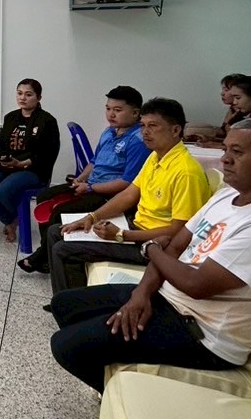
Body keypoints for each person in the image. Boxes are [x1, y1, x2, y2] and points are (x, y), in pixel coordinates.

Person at [47, 119, 251, 393]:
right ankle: (116, 374)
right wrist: (141, 294)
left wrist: (150, 249)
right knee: (64, 305)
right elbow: (174, 247)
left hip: (202, 334)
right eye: (226, 149)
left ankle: (124, 399)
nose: (225, 159)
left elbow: (194, 284)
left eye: (237, 152)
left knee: (66, 345)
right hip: (169, 297)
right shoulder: (227, 196)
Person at [47, 98, 212, 295]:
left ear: (176, 130)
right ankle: (67, 299)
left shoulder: (186, 172)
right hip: (134, 227)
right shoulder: (156, 156)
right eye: (143, 126)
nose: (145, 132)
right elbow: (128, 194)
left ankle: (74, 306)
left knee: (64, 250)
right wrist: (91, 217)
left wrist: (122, 235)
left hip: (154, 246)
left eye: (153, 126)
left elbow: (179, 232)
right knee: (57, 231)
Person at [20, 85, 148, 274]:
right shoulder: (109, 132)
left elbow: (127, 183)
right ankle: (47, 254)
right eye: (108, 108)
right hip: (91, 185)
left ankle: (43, 256)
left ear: (135, 113)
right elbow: (94, 162)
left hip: (109, 196)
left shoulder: (138, 141)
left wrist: (90, 188)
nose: (111, 114)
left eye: (117, 110)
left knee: (58, 212)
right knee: (44, 197)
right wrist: (79, 180)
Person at [0, 78, 59, 243]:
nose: (22, 98)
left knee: (5, 189)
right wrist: (2, 160)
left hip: (33, 170)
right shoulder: (11, 117)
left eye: (28, 94)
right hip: (9, 166)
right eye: (19, 93)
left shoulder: (47, 121)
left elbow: (49, 154)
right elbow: (1, 145)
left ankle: (12, 220)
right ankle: (10, 219)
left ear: (39, 98)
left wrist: (22, 164)